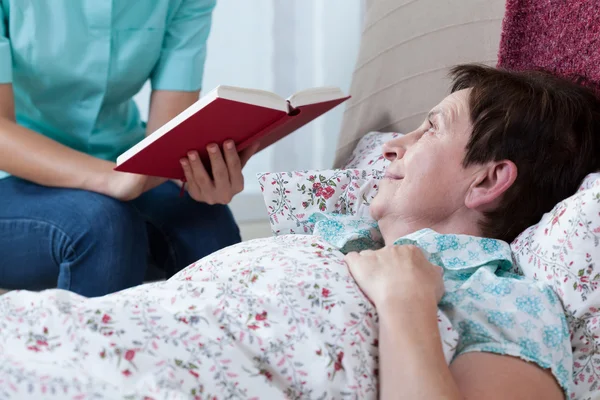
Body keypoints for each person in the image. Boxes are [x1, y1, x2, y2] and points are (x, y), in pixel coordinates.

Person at [0, 64, 598, 399]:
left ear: (489, 180)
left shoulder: (506, 299)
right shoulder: (337, 235)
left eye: (430, 130)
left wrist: (405, 301)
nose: (393, 146)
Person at [0, 1, 258, 297]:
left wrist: (198, 173)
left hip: (119, 160)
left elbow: (168, 133)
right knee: (103, 227)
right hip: (11, 174)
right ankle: (94, 345)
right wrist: (110, 178)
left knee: (207, 225)